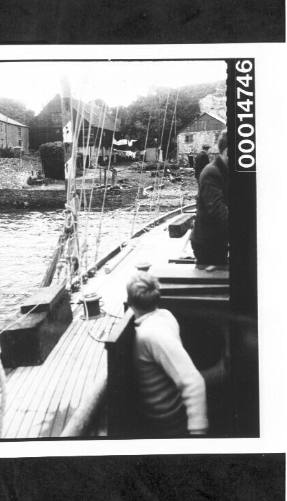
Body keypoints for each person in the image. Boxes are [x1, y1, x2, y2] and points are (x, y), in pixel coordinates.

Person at [127, 271, 208, 438]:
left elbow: (194, 382)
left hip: (166, 424)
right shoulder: (166, 316)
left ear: (130, 303)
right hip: (173, 412)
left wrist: (198, 434)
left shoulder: (148, 334)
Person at [191, 130, 228, 267]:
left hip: (220, 238)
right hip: (207, 241)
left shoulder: (227, 170)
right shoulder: (212, 171)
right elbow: (219, 212)